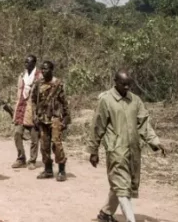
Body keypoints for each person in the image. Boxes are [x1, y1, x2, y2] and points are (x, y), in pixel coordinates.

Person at [89, 70, 166, 222]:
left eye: (129, 85)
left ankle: (105, 214)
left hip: (133, 151)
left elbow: (144, 123)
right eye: (123, 84)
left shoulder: (135, 100)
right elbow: (97, 126)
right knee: (122, 187)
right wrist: (93, 150)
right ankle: (131, 220)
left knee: (122, 184)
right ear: (115, 82)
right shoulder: (106, 101)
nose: (127, 88)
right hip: (116, 150)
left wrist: (155, 142)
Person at [31, 60, 71, 182]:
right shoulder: (38, 83)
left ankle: (61, 170)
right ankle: (48, 170)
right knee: (44, 145)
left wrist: (66, 119)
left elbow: (65, 102)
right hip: (42, 118)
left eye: (46, 68)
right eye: (42, 68)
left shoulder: (58, 84)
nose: (44, 71)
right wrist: (34, 115)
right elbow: (33, 100)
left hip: (55, 118)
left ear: (52, 70)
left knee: (56, 144)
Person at [12, 54, 42, 169]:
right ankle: (21, 158)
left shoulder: (39, 77)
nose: (26, 64)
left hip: (33, 110)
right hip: (21, 109)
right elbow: (18, 93)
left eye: (28, 62)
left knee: (34, 137)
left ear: (34, 63)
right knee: (17, 133)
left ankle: (32, 160)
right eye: (25, 62)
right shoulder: (21, 75)